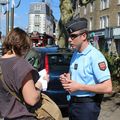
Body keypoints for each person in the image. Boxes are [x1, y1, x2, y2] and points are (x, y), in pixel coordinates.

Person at [60, 17, 112, 120]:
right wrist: (67, 78)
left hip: (87, 106)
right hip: (73, 103)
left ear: (84, 36)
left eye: (73, 36)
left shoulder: (95, 56)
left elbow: (108, 87)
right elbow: (76, 75)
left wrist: (79, 87)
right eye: (69, 36)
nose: (69, 39)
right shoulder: (76, 53)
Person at [0, 27, 48, 120]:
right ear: (21, 46)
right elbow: (32, 99)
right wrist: (40, 84)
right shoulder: (21, 64)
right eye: (26, 48)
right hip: (23, 116)